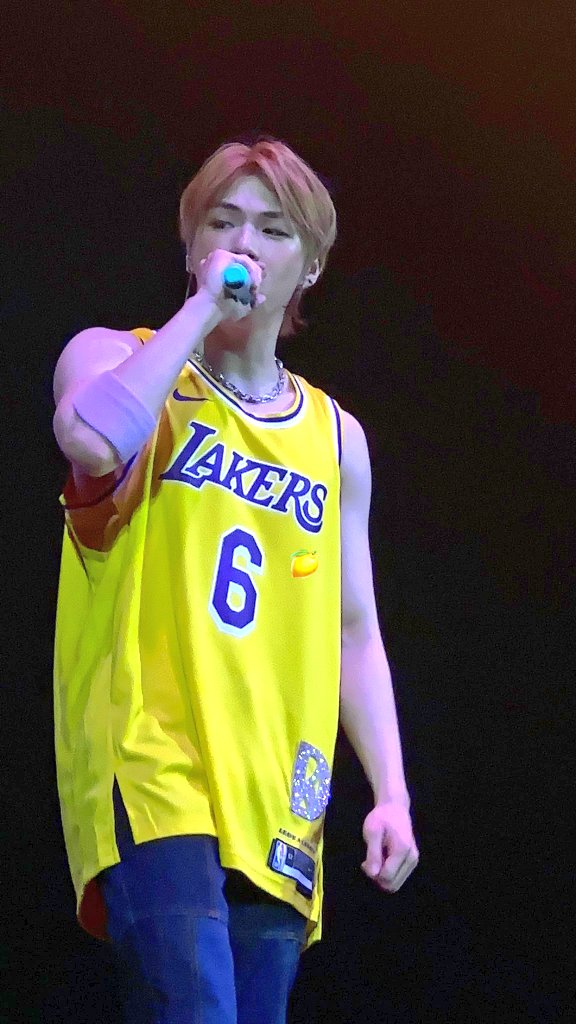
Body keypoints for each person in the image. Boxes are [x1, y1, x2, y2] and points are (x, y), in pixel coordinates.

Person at [52, 134, 419, 1024]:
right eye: (221, 224)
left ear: (311, 265)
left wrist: (392, 792)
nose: (244, 245)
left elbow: (353, 630)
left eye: (272, 230)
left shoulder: (335, 439)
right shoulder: (117, 358)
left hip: (277, 796)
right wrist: (202, 310)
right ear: (190, 245)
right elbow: (92, 441)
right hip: (153, 763)